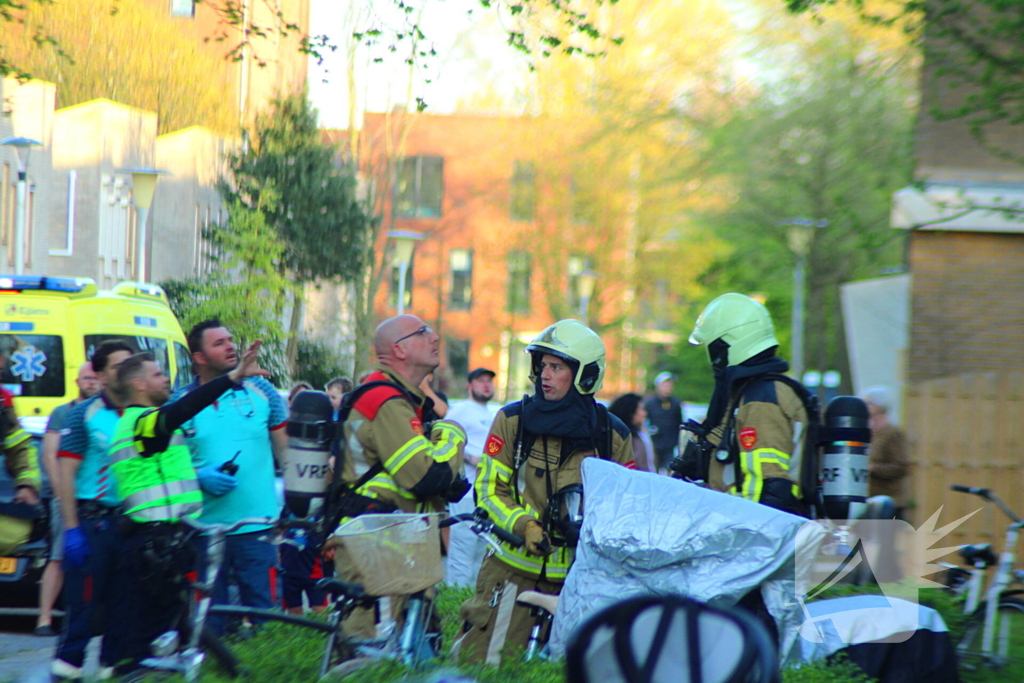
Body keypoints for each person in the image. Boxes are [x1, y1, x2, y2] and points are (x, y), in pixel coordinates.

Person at [454, 320, 635, 666]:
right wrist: (524, 526)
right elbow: (489, 490)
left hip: (578, 582)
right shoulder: (512, 421)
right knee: (488, 665)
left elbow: (625, 509)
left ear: (585, 376)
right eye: (542, 367)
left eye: (557, 367)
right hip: (510, 577)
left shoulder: (613, 436)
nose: (544, 376)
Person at [107, 342, 269, 676]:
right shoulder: (143, 423)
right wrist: (231, 378)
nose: (166, 379)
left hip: (167, 542)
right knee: (144, 642)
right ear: (138, 385)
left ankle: (232, 670)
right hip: (152, 544)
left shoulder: (146, 423)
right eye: (157, 374)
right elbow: (182, 410)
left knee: (179, 626)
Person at [325, 314, 469, 638]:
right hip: (375, 542)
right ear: (399, 350)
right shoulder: (385, 400)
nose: (435, 338)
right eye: (424, 332)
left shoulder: (401, 399)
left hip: (393, 537)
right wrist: (453, 434)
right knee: (368, 657)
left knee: (412, 647)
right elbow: (426, 478)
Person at [172, 319, 288, 635]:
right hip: (202, 531)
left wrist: (295, 503)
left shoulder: (262, 391)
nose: (231, 346)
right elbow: (166, 468)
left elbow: (287, 455)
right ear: (199, 357)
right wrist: (197, 476)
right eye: (219, 343)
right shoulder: (179, 403)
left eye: (230, 339)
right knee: (208, 627)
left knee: (269, 622)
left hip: (258, 528)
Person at [685, 293, 809, 516]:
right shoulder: (751, 392)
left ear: (727, 345)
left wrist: (746, 537)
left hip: (755, 535)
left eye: (713, 348)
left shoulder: (761, 399)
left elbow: (769, 484)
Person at [52, 341, 134, 681]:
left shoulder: (142, 412)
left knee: (123, 602)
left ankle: (111, 665)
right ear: (100, 375)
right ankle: (68, 664)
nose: (128, 372)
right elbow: (65, 474)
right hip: (93, 522)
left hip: (131, 523)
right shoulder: (83, 414)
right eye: (119, 366)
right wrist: (72, 529)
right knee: (84, 601)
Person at [35, 363, 99, 637]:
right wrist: (62, 493)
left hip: (95, 498)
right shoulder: (63, 413)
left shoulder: (104, 412)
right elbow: (50, 455)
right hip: (66, 496)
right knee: (58, 557)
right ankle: (44, 618)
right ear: (77, 381)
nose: (92, 383)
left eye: (96, 378)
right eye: (87, 378)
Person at [444, 367, 498, 587]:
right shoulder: (459, 411)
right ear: (469, 386)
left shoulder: (496, 412)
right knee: (462, 546)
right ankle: (455, 597)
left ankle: (473, 597)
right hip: (466, 488)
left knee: (482, 546)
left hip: (489, 490)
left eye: (489, 381)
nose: (486, 385)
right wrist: (469, 457)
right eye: (481, 381)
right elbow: (443, 441)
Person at [861, 386, 909, 514]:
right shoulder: (870, 433)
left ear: (880, 407)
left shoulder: (893, 433)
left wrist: (872, 468)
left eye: (869, 403)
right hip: (870, 501)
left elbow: (901, 467)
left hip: (888, 503)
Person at [644, 372, 683, 473]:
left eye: (670, 385)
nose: (667, 388)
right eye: (665, 385)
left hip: (670, 446)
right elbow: (643, 423)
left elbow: (679, 423)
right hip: (654, 445)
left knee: (670, 471)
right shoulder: (650, 404)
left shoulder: (675, 404)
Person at [609, 393, 657, 474]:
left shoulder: (640, 435)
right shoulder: (622, 439)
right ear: (631, 412)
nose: (644, 414)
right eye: (641, 409)